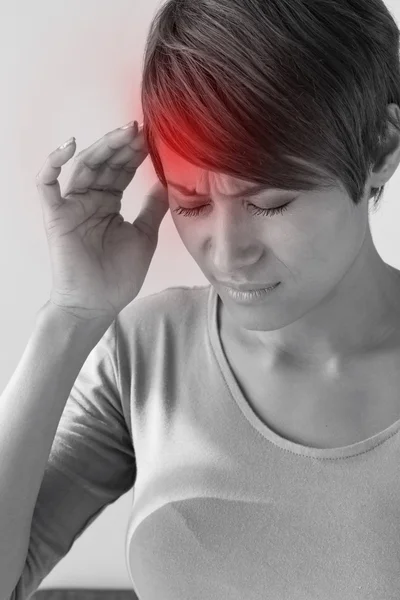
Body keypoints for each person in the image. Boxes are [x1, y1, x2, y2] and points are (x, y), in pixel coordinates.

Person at [2, 0, 400, 598]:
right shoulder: (147, 351)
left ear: (380, 147)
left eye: (269, 202)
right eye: (190, 204)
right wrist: (70, 315)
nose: (228, 253)